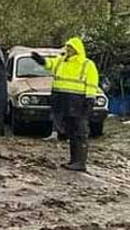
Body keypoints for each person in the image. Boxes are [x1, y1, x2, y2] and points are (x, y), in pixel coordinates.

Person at [33, 37, 99, 171]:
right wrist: (40, 60)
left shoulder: (87, 64)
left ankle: (80, 162)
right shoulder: (61, 61)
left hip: (79, 102)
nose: (68, 50)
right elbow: (49, 64)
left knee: (80, 132)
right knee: (71, 132)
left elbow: (92, 82)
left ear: (77, 50)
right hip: (63, 102)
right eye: (67, 47)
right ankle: (74, 161)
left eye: (71, 48)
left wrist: (90, 98)